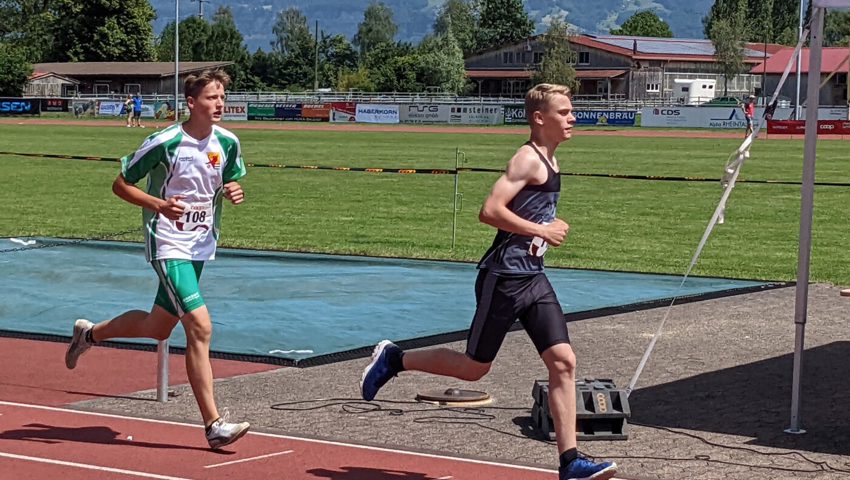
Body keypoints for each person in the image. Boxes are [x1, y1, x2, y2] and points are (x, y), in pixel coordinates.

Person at [359, 84, 618, 480]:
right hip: (504, 278)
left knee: (564, 362)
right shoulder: (527, 160)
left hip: (533, 277)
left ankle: (571, 462)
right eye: (564, 112)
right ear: (539, 118)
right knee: (474, 368)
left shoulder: (550, 158)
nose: (572, 118)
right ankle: (395, 359)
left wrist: (542, 230)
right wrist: (542, 230)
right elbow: (489, 210)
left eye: (571, 111)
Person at [65, 69, 250, 450]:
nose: (220, 104)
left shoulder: (228, 142)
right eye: (212, 97)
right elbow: (121, 183)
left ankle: (89, 334)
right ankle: (213, 424)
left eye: (222, 97)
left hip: (200, 244)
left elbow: (229, 178)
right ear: (191, 102)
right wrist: (157, 205)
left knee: (158, 327)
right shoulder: (164, 141)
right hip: (166, 243)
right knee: (199, 326)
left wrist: (233, 189)